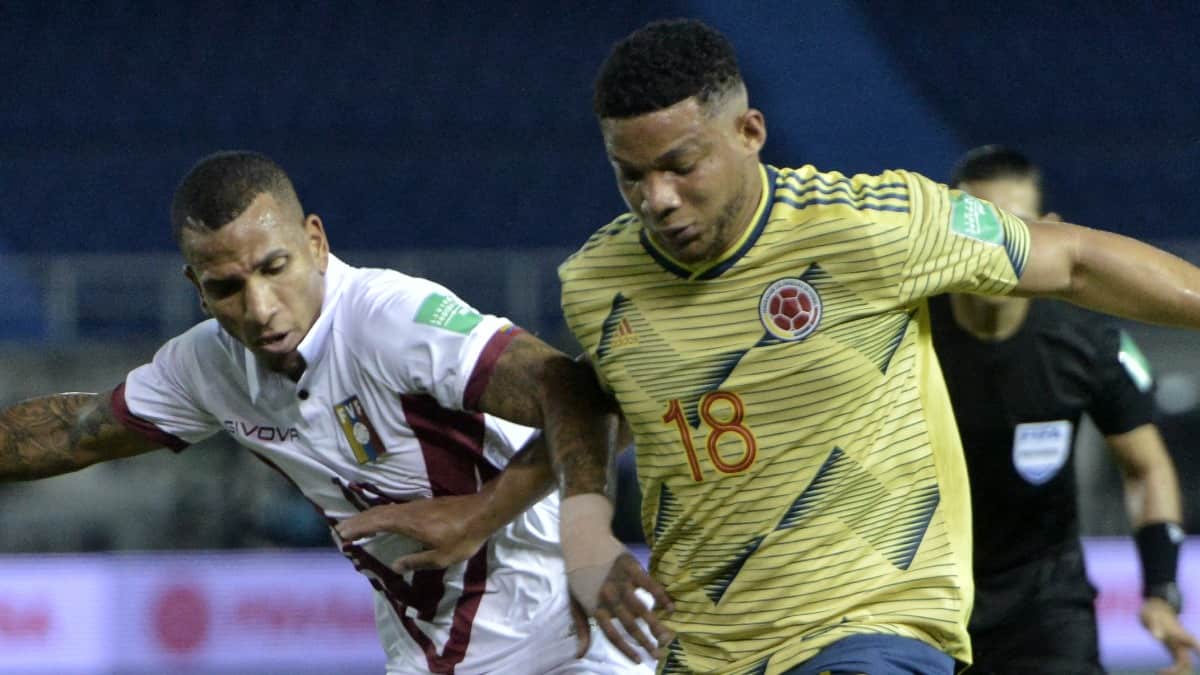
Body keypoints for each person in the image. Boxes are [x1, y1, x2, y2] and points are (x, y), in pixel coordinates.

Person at [550, 17, 1200, 674]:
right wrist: (581, 527)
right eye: (630, 175)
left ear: (749, 133)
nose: (656, 199)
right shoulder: (598, 283)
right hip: (702, 646)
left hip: (875, 624)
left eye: (681, 166)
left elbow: (1077, 261)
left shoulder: (872, 228)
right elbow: (587, 394)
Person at [0, 151, 659, 675]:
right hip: (432, 649)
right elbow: (74, 433)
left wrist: (484, 514)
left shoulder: (389, 319)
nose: (260, 308)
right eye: (227, 288)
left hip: (571, 632)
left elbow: (588, 397)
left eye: (274, 267)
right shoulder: (207, 366)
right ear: (197, 289)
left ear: (315, 241)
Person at [930, 146, 1197, 674]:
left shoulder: (1087, 342)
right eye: (979, 225)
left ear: (1049, 233)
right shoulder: (901, 334)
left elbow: (1146, 467)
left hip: (1044, 607)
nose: (995, 246)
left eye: (1015, 227)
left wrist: (1161, 591)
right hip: (924, 603)